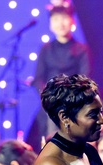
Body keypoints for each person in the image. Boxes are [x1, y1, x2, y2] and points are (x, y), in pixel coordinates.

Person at [27, 2, 91, 151]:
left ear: (72, 21)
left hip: (73, 103)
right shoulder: (46, 49)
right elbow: (38, 79)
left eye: (64, 18)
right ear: (51, 24)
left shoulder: (82, 50)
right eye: (56, 19)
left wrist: (68, 98)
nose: (61, 23)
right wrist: (49, 98)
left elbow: (85, 78)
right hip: (50, 102)